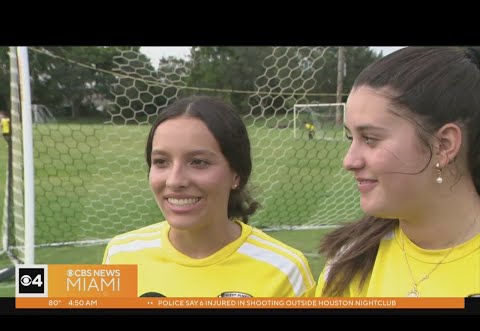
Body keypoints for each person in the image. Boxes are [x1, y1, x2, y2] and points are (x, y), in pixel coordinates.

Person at [103, 96, 316, 298]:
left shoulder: (285, 271)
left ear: (237, 174)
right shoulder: (120, 256)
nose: (175, 181)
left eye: (198, 162)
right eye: (161, 161)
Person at [316, 47, 480, 298]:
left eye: (370, 139)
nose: (349, 161)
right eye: (351, 137)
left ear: (444, 145)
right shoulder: (348, 262)